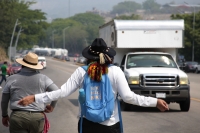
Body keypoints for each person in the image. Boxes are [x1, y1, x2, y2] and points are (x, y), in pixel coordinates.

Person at [18, 38, 169, 133]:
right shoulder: (116, 71)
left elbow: (62, 92)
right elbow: (128, 97)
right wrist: (154, 102)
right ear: (108, 56)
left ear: (89, 56)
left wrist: (35, 98)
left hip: (87, 124)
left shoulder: (81, 72)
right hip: (111, 125)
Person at [1, 52, 59, 133]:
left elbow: (4, 100)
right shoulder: (43, 78)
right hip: (37, 118)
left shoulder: (11, 78)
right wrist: (52, 106)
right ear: (35, 66)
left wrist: (4, 115)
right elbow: (56, 92)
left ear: (22, 64)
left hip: (18, 117)